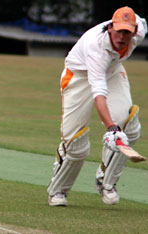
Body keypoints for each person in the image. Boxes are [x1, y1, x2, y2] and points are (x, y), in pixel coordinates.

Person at [47, 6, 146, 206]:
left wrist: (117, 127)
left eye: (127, 32)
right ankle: (58, 191)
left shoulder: (140, 30)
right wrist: (111, 128)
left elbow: (142, 21)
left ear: (134, 32)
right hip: (79, 77)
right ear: (110, 28)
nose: (122, 36)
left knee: (129, 126)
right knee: (76, 144)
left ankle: (106, 181)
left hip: (113, 70)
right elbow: (99, 93)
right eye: (119, 31)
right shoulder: (97, 46)